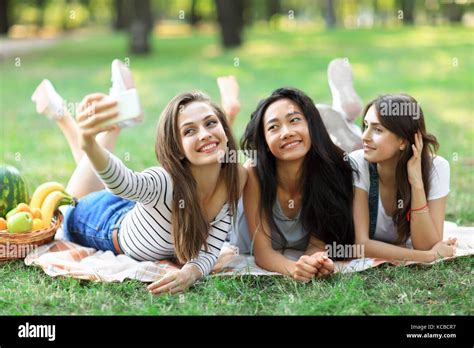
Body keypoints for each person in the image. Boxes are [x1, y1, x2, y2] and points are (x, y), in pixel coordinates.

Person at [31, 60, 246, 295]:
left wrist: (190, 273)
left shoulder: (231, 181)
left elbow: (210, 250)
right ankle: (71, 116)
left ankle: (65, 113)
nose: (205, 134)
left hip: (135, 211)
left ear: (225, 130)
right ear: (177, 149)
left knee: (88, 170)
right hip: (97, 222)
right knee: (70, 204)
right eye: (189, 131)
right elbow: (122, 182)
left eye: (211, 123)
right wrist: (89, 142)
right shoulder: (164, 182)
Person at [350, 94, 457, 262]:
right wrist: (427, 256)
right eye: (365, 126)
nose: (364, 136)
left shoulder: (437, 168)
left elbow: (427, 244)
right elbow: (360, 244)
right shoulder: (358, 162)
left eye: (377, 130)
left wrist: (417, 184)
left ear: (403, 141)